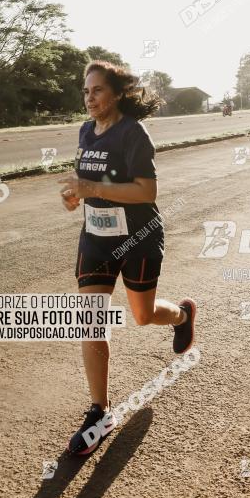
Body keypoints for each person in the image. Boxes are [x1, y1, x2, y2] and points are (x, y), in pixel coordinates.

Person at [58, 60, 196, 456]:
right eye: (85, 92)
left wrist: (90, 184)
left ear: (117, 93)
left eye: (97, 90)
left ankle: (183, 315)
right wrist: (73, 195)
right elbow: (83, 180)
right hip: (96, 239)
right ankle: (99, 411)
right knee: (91, 320)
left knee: (143, 315)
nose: (89, 98)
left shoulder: (133, 133)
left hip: (138, 237)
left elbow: (145, 192)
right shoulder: (86, 130)